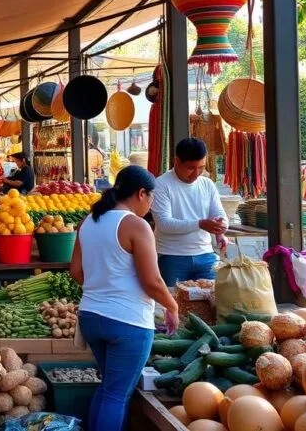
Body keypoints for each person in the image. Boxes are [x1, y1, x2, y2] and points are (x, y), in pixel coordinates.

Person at [70, 165, 179, 431]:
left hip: (91, 317)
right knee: (117, 395)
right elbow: (152, 281)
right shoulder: (136, 225)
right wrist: (172, 306)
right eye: (151, 198)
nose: (151, 206)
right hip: (127, 323)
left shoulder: (89, 221)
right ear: (142, 193)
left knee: (108, 389)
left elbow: (76, 271)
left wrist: (102, 284)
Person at [151, 138, 229, 286]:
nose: (196, 173)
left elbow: (219, 214)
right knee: (174, 305)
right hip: (171, 257)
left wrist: (220, 229)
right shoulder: (161, 185)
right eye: (191, 168)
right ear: (177, 162)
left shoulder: (207, 184)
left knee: (211, 302)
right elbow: (164, 224)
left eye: (201, 167)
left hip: (206, 255)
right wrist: (200, 224)